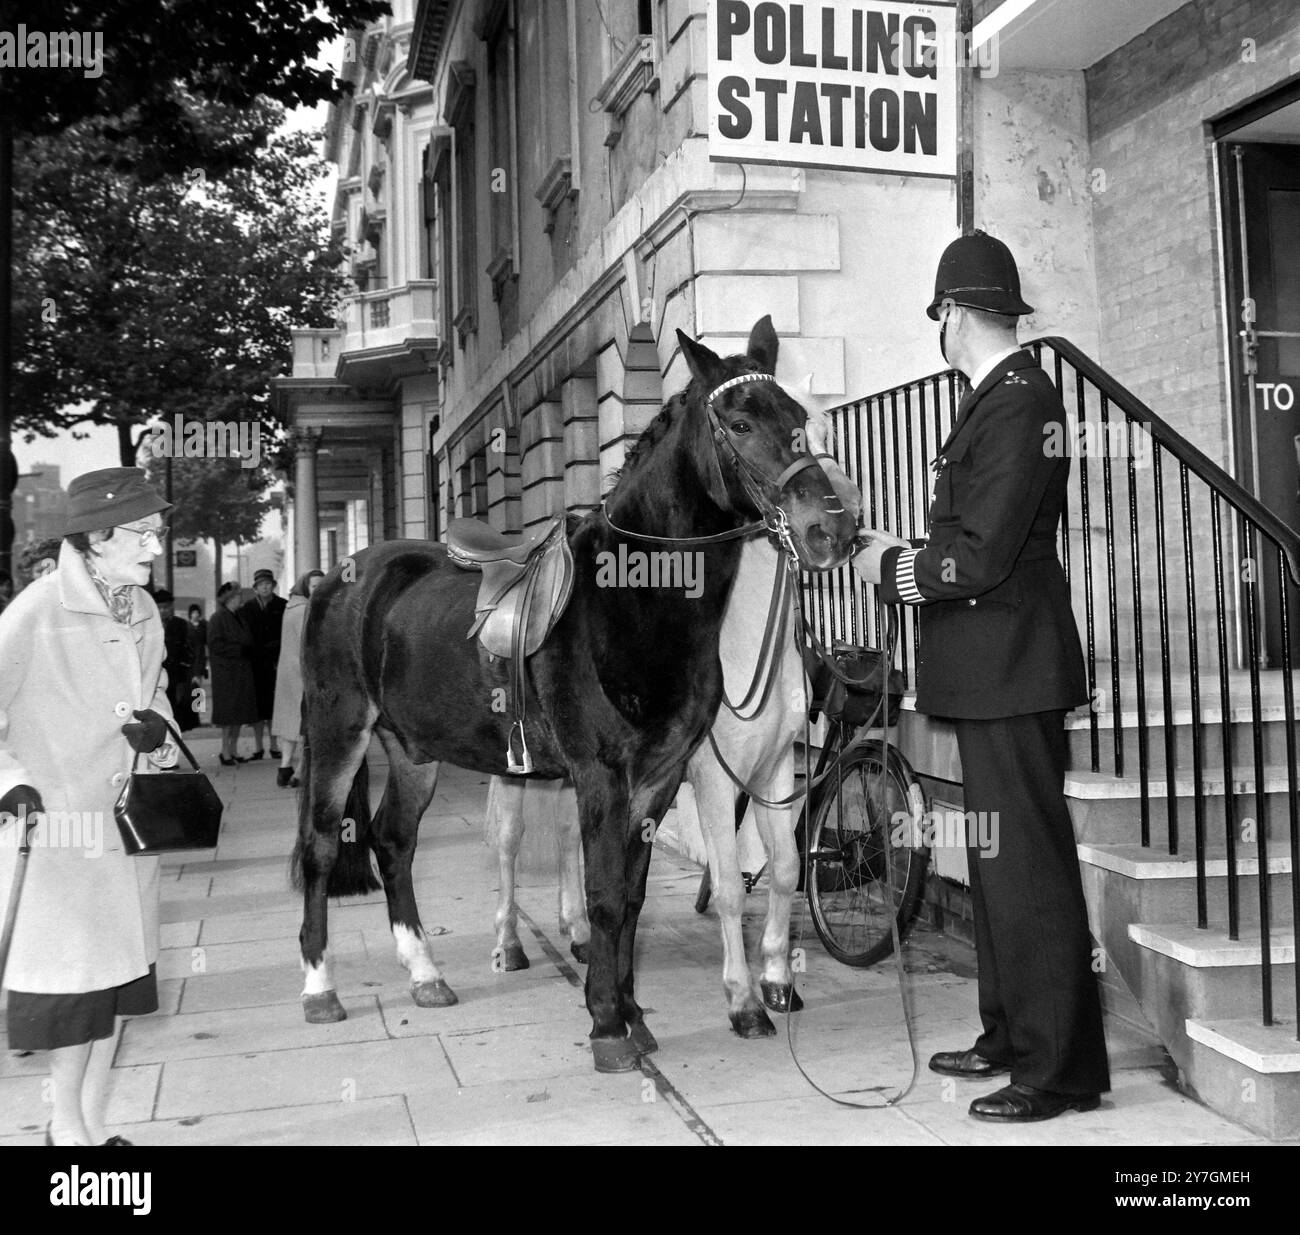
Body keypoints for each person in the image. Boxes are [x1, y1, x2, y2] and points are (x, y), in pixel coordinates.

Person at [853, 230, 1109, 1123]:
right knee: (999, 863)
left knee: (1029, 868)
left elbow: (981, 556)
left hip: (1013, 669)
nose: (941, 327)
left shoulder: (1018, 399)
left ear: (953, 314)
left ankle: (1061, 1069)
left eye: (942, 313)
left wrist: (893, 567)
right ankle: (1008, 1034)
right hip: (990, 671)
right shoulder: (999, 398)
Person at [0, 467, 178, 1146]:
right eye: (143, 532)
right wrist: (9, 779)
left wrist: (159, 733)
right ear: (98, 537)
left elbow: (154, 696)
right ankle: (63, 1128)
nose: (155, 545)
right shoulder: (35, 612)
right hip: (60, 841)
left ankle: (93, 1126)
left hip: (129, 836)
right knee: (74, 998)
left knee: (119, 994)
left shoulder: (144, 610)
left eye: (156, 532)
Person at [270, 569, 324, 787]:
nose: (319, 589)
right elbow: (311, 644)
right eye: (314, 586)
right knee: (304, 724)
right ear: (305, 587)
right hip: (303, 673)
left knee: (289, 723)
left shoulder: (290, 607)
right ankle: (301, 771)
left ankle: (284, 767)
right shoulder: (306, 610)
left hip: (287, 673)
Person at [208, 582, 258, 766]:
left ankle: (234, 750)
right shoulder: (218, 618)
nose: (240, 599)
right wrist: (239, 650)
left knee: (238, 715)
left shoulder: (239, 617)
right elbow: (215, 645)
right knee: (228, 717)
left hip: (240, 673)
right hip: (226, 675)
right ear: (229, 599)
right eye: (237, 596)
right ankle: (225, 751)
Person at [239, 568, 286, 761]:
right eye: (261, 585)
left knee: (274, 707)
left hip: (276, 662)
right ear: (255, 588)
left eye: (268, 584)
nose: (265, 587)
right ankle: (258, 746)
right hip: (255, 664)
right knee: (258, 708)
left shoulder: (283, 605)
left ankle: (274, 746)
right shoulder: (247, 609)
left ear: (273, 586)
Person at [152, 589, 198, 732]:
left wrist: (190, 673)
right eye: (160, 607)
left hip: (178, 678)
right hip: (156, 678)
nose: (163, 611)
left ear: (172, 607)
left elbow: (191, 651)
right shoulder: (150, 626)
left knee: (178, 716)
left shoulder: (182, 625)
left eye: (167, 607)